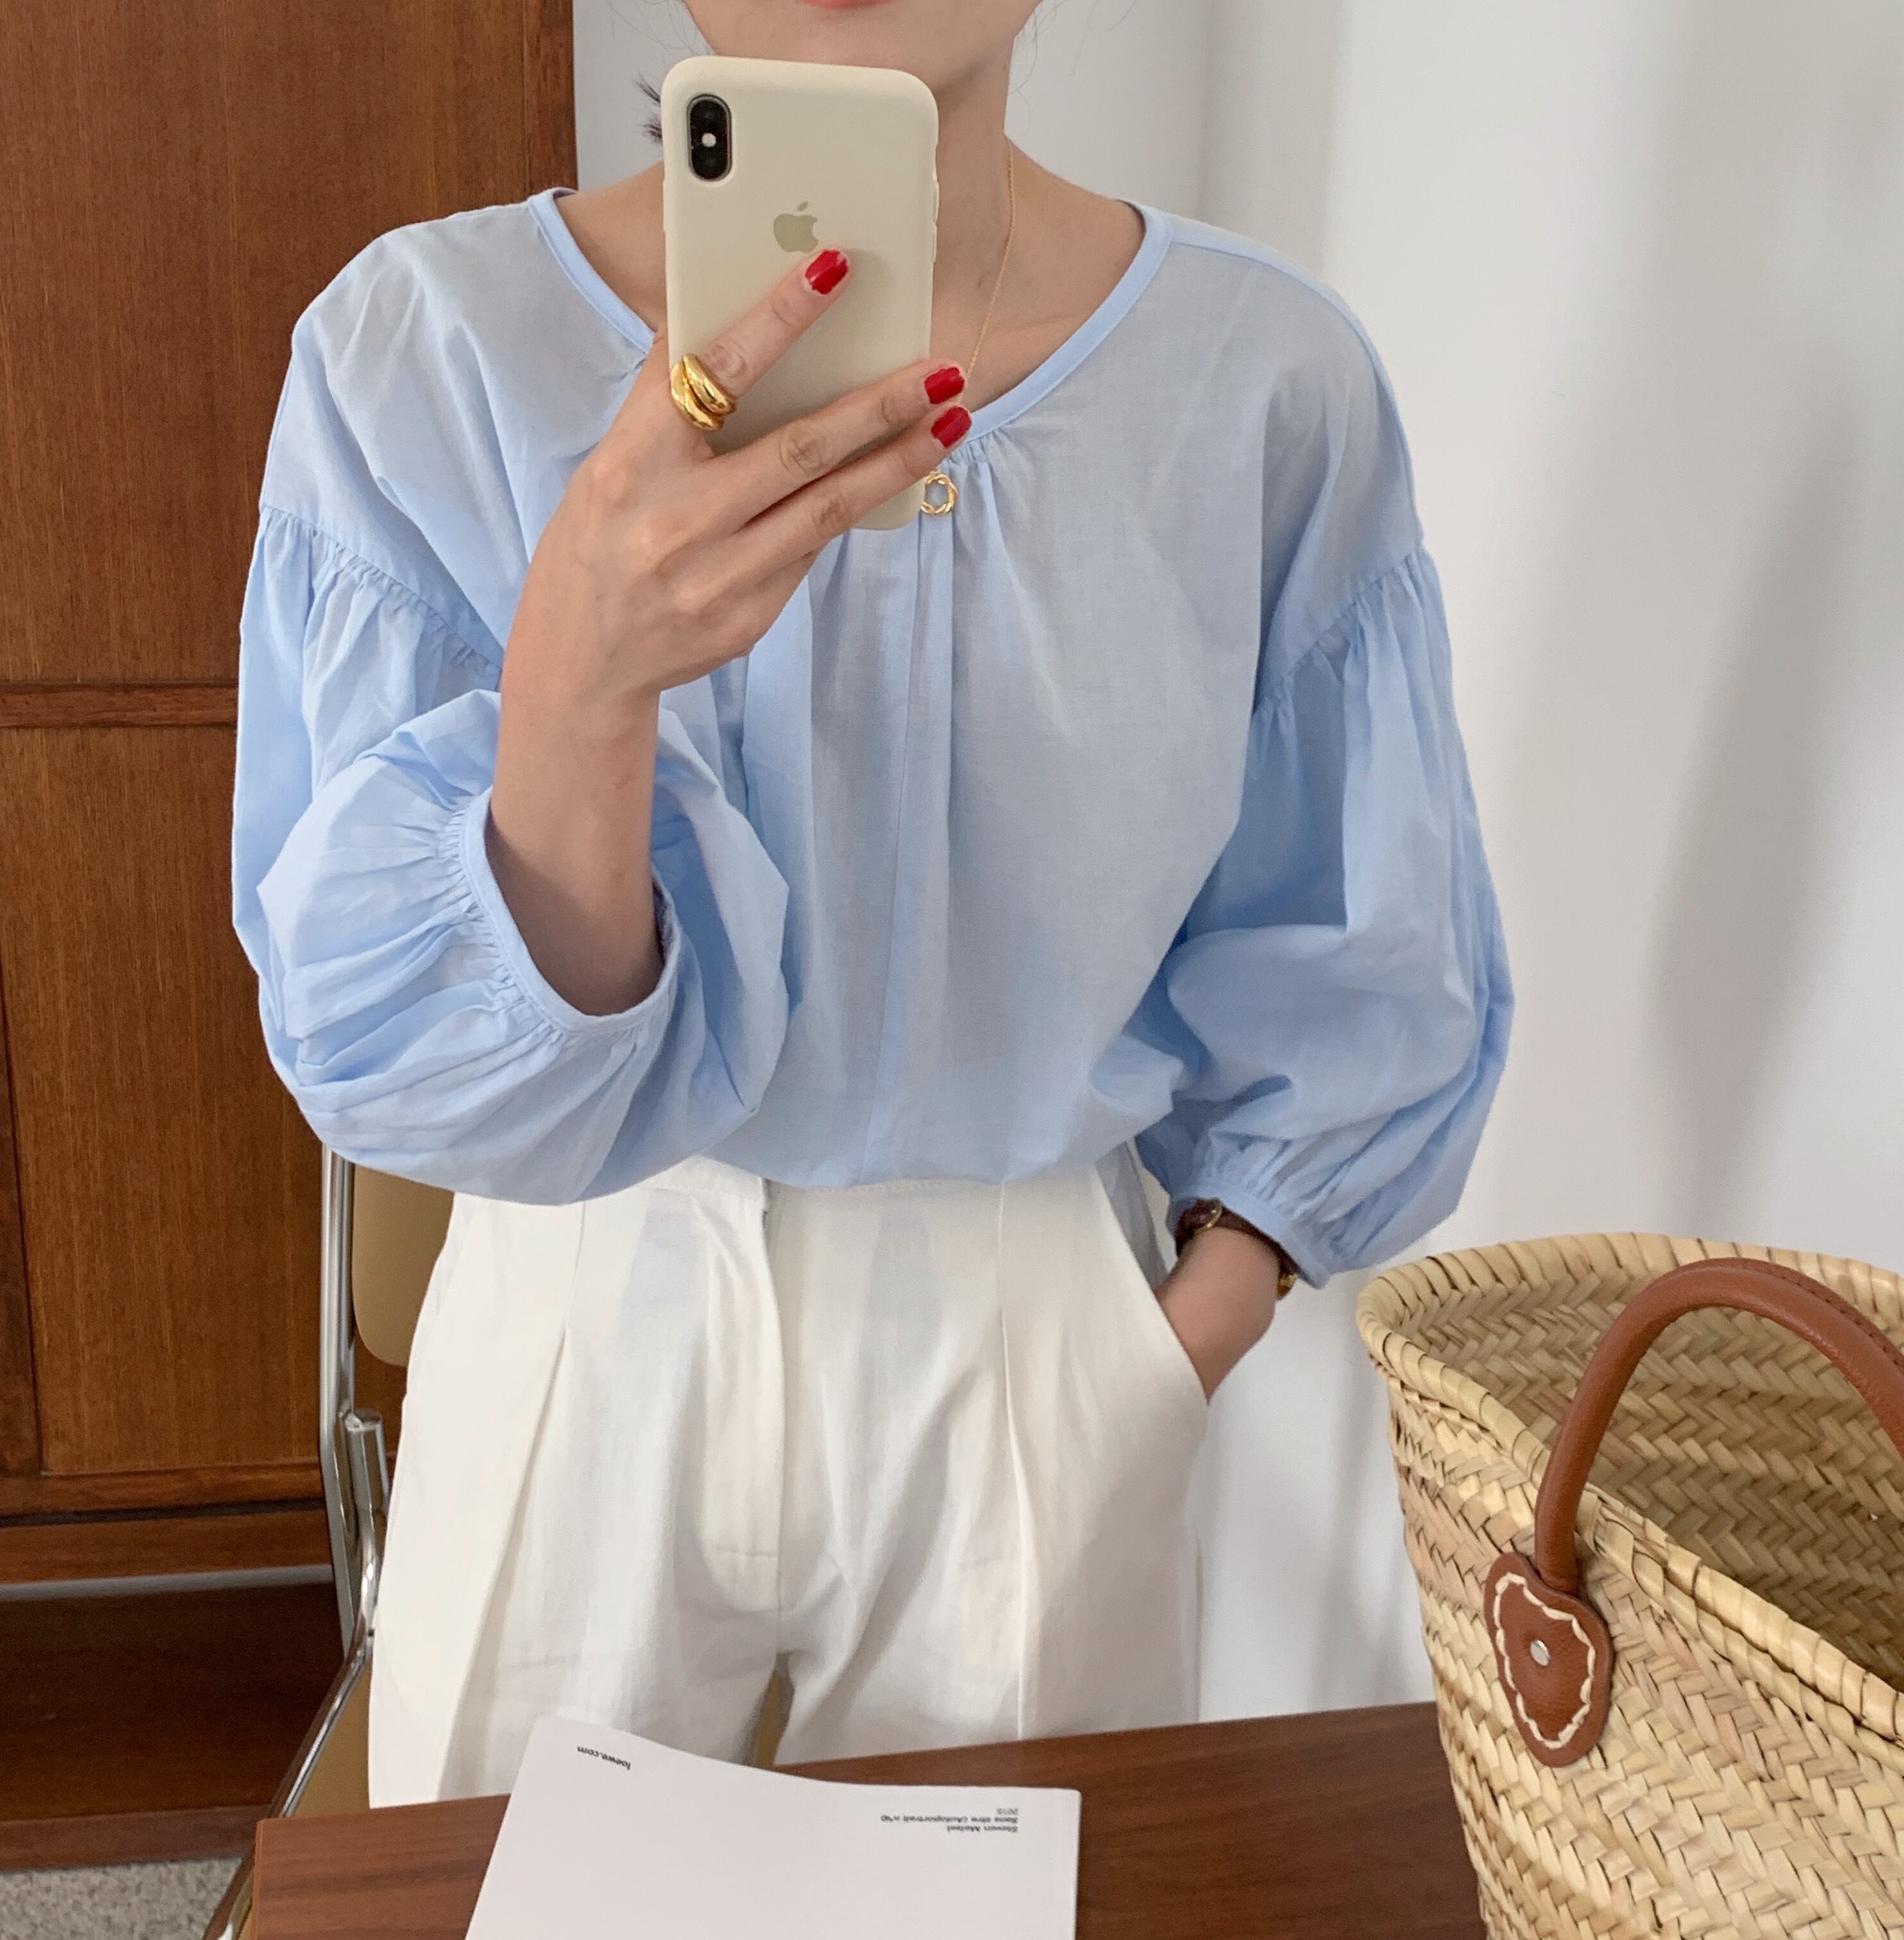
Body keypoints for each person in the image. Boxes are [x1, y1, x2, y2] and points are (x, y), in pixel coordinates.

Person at [232, 0, 1512, 1807]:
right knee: (516, 1900)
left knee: (1017, 1904)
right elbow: (403, 1045)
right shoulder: (425, 349)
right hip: (589, 1295)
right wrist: (581, 680)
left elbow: (1361, 945)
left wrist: (1166, 1348)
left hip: (1029, 1331)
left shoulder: (1261, 380)